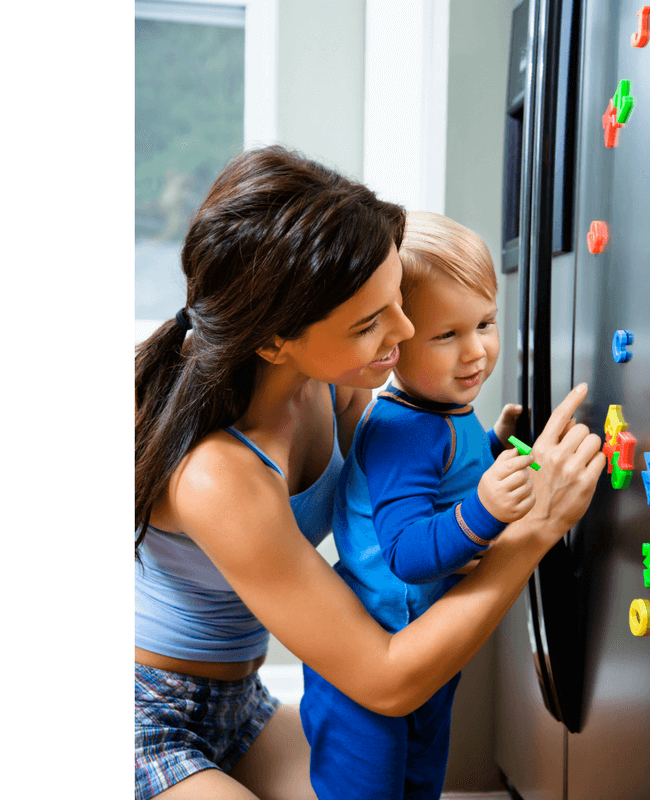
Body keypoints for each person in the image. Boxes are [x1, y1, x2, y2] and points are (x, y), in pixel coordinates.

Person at [135, 145, 606, 800]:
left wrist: (498, 462)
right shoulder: (219, 475)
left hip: (244, 708)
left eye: (397, 303)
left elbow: (414, 493)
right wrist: (533, 533)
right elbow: (385, 678)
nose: (404, 330)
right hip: (146, 720)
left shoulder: (337, 390)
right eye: (370, 323)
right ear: (274, 342)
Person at [300, 211, 541, 799]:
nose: (476, 352)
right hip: (366, 652)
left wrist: (491, 447)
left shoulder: (443, 408)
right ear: (393, 345)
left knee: (420, 779)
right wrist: (486, 509)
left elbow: (445, 484)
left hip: (418, 640)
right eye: (446, 335)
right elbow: (407, 551)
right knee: (370, 789)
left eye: (484, 322)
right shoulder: (403, 431)